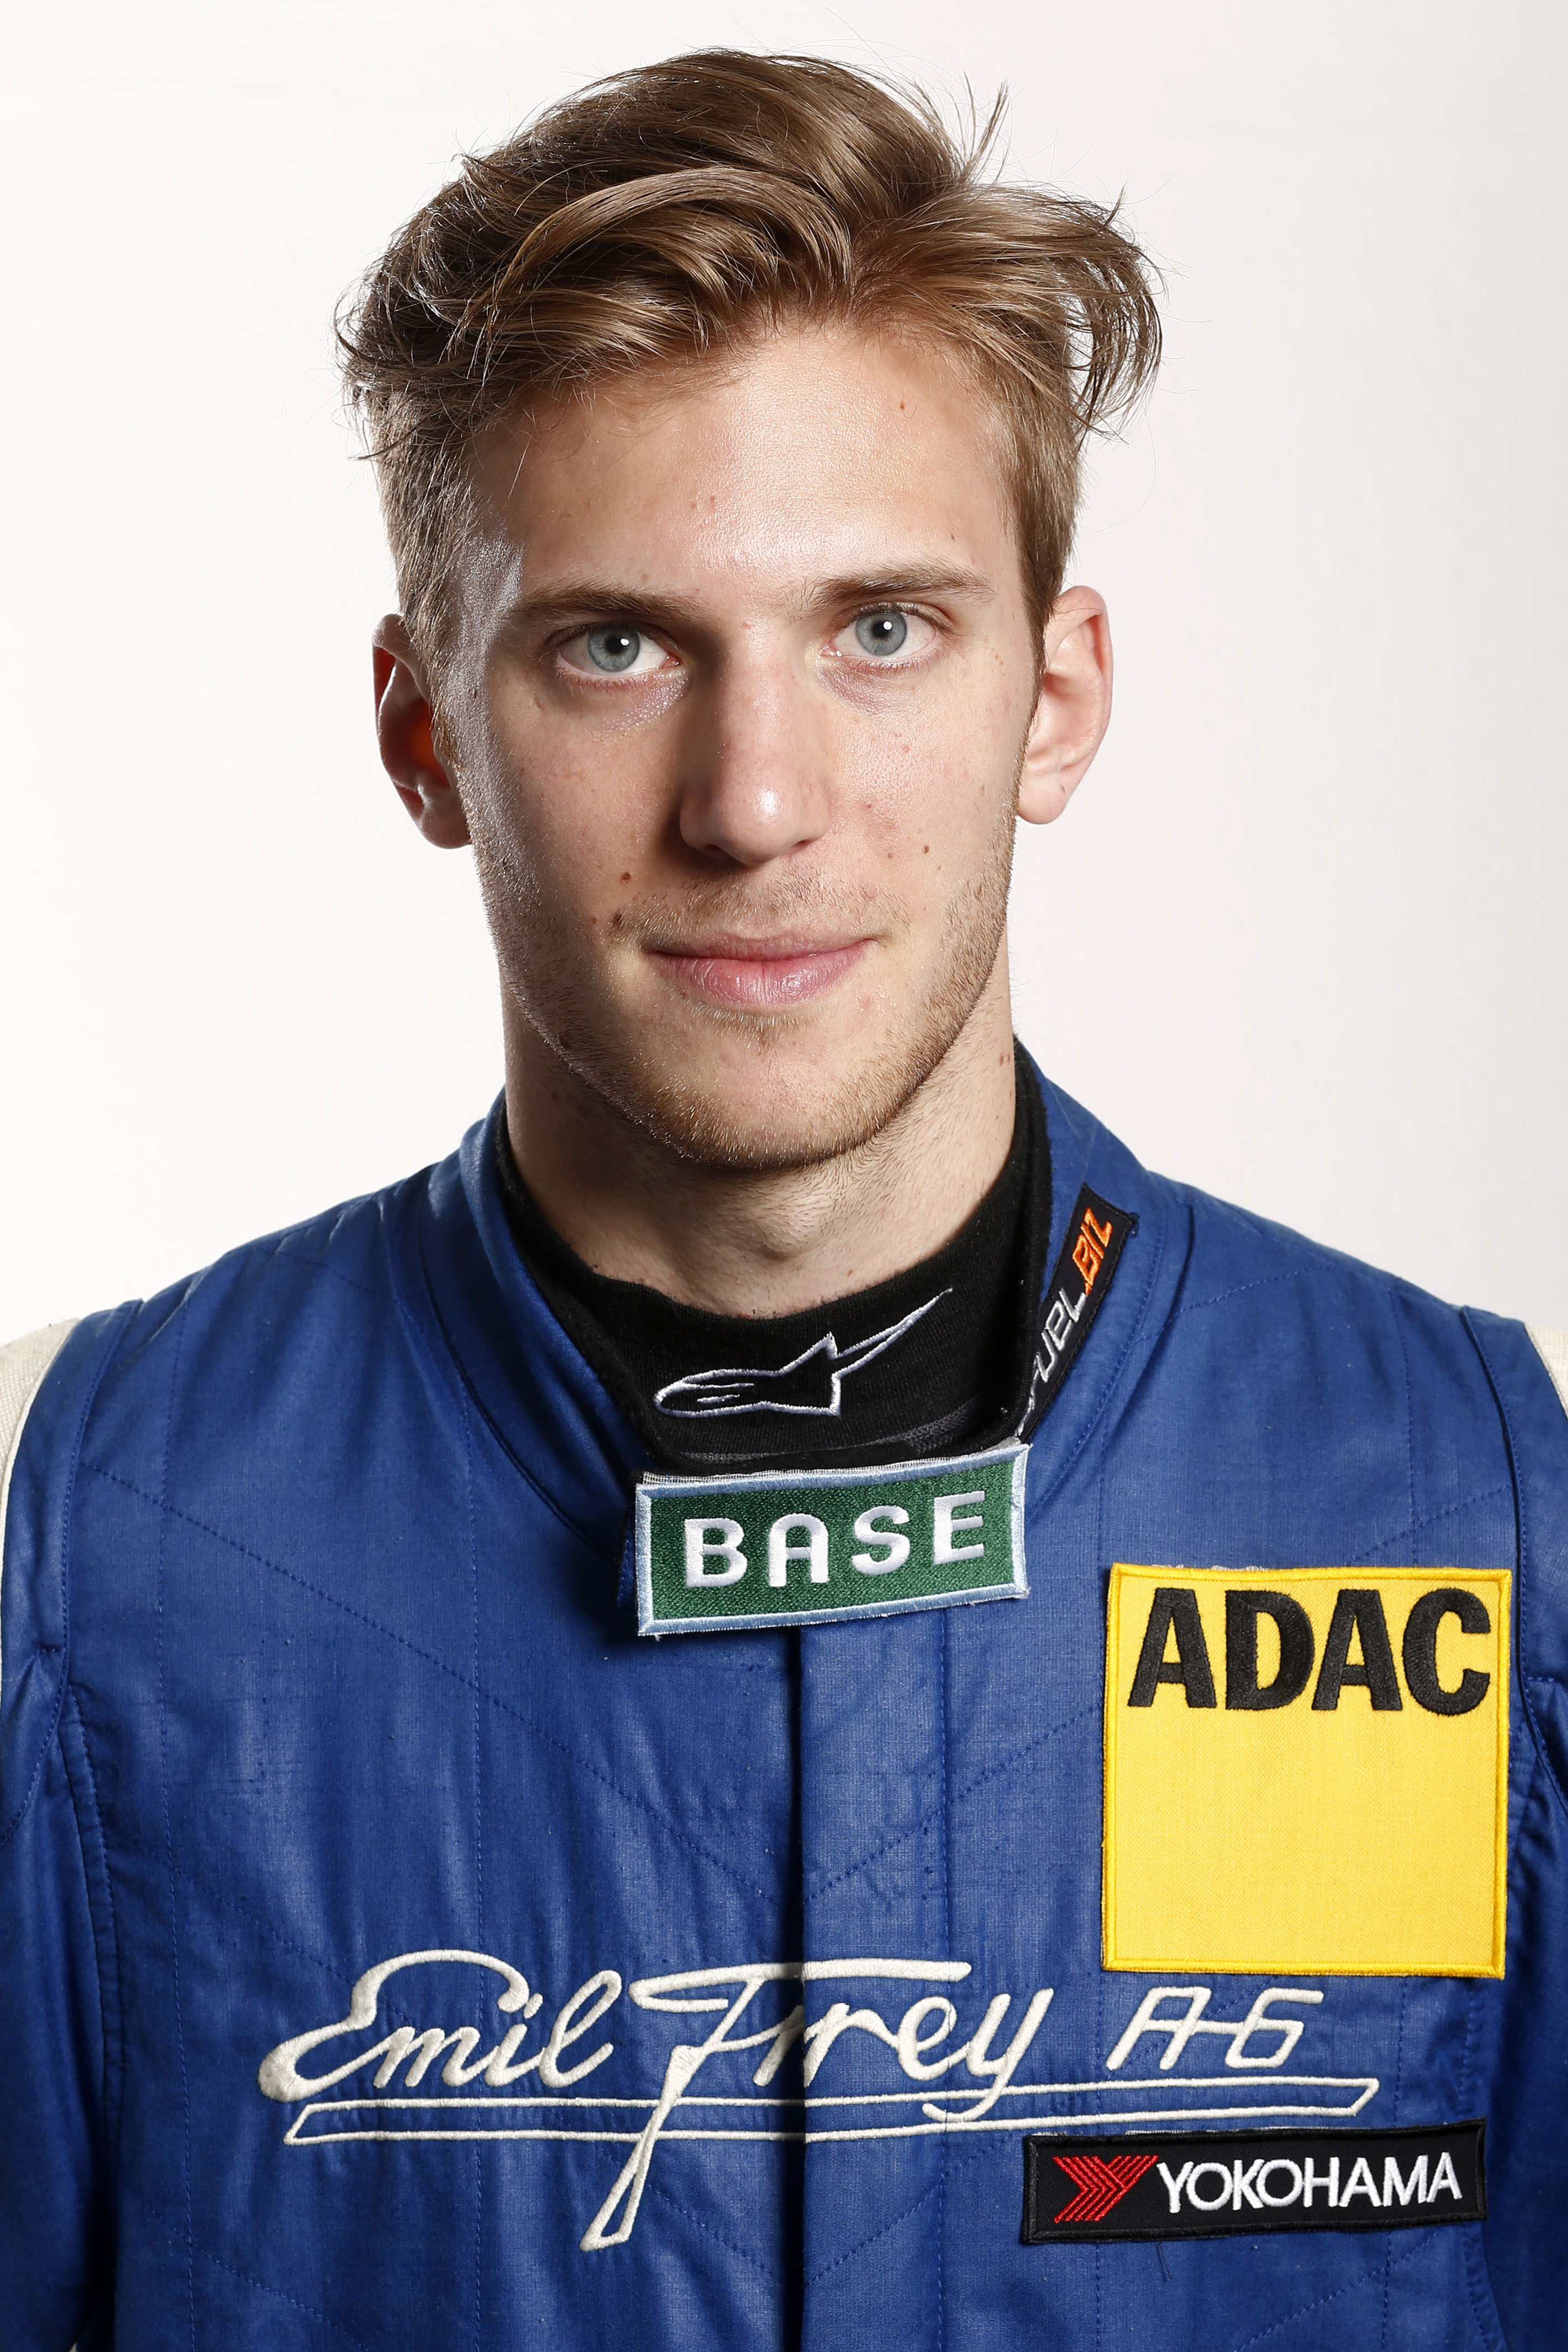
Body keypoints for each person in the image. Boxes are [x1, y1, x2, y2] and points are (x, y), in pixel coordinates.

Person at [2, 46, 1563, 2351]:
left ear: (1055, 694)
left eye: (881, 628)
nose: (755, 801)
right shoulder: (75, 1533)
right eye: (615, 643)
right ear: (425, 733)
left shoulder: (1479, 1502)